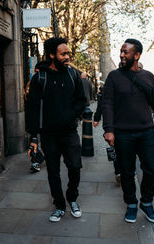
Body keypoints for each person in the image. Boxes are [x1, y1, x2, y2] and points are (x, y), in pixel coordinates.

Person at [102, 38, 154, 224]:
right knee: (127, 172)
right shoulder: (113, 77)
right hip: (123, 134)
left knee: (151, 169)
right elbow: (107, 104)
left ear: (137, 55)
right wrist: (108, 129)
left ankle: (146, 202)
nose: (122, 55)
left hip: (146, 132)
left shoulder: (148, 77)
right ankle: (131, 204)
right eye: (121, 51)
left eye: (126, 52)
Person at [26, 37, 86, 222]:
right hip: (49, 135)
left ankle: (72, 198)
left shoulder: (73, 75)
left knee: (75, 167)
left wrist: (70, 116)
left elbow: (82, 101)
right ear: (52, 55)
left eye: (68, 53)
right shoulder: (40, 78)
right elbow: (32, 109)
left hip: (69, 133)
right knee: (53, 171)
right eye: (63, 54)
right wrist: (33, 137)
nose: (67, 57)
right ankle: (59, 205)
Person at [93, 85, 121, 185]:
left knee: (114, 148)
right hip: (120, 124)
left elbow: (100, 107)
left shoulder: (104, 94)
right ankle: (123, 171)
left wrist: (96, 119)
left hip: (110, 125)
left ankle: (118, 172)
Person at [25, 61, 48, 173]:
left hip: (37, 117)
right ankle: (36, 160)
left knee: (35, 140)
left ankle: (37, 160)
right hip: (38, 118)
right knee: (35, 141)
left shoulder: (37, 79)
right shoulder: (37, 80)